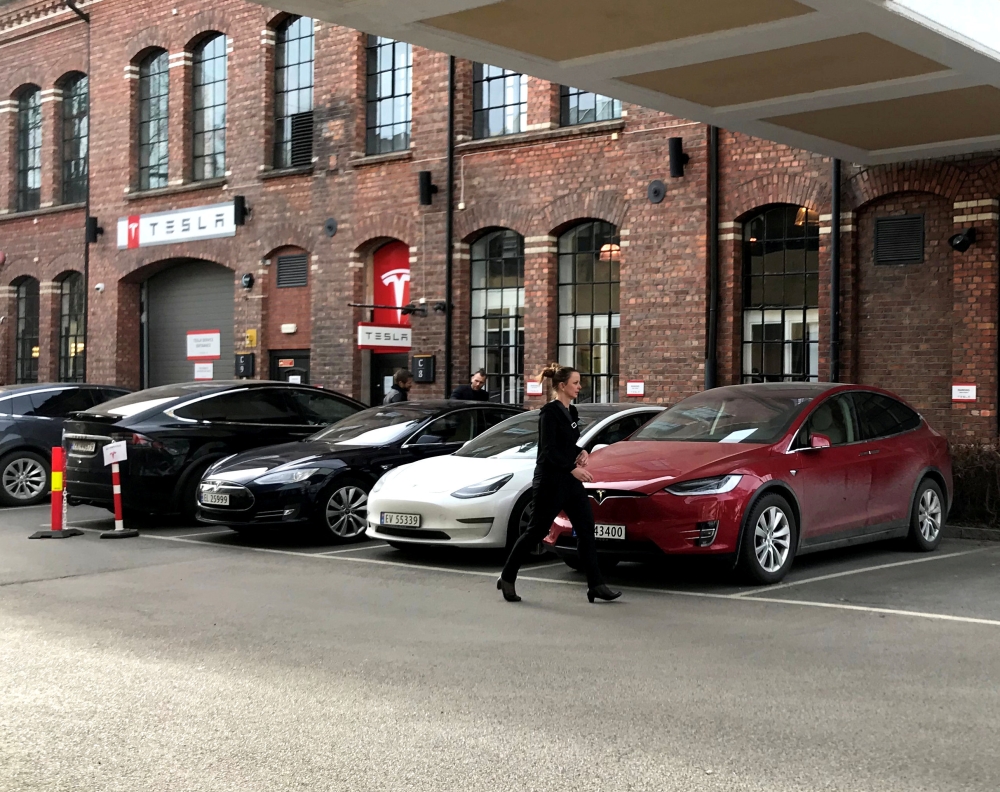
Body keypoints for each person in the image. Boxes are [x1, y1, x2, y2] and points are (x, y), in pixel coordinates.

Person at [497, 364, 621, 604]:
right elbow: (548, 451)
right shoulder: (549, 413)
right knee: (536, 531)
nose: (579, 387)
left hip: (569, 481)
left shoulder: (571, 412)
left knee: (586, 530)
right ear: (562, 386)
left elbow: (565, 447)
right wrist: (572, 468)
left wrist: (581, 452)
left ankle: (596, 585)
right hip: (550, 481)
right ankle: (508, 576)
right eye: (575, 383)